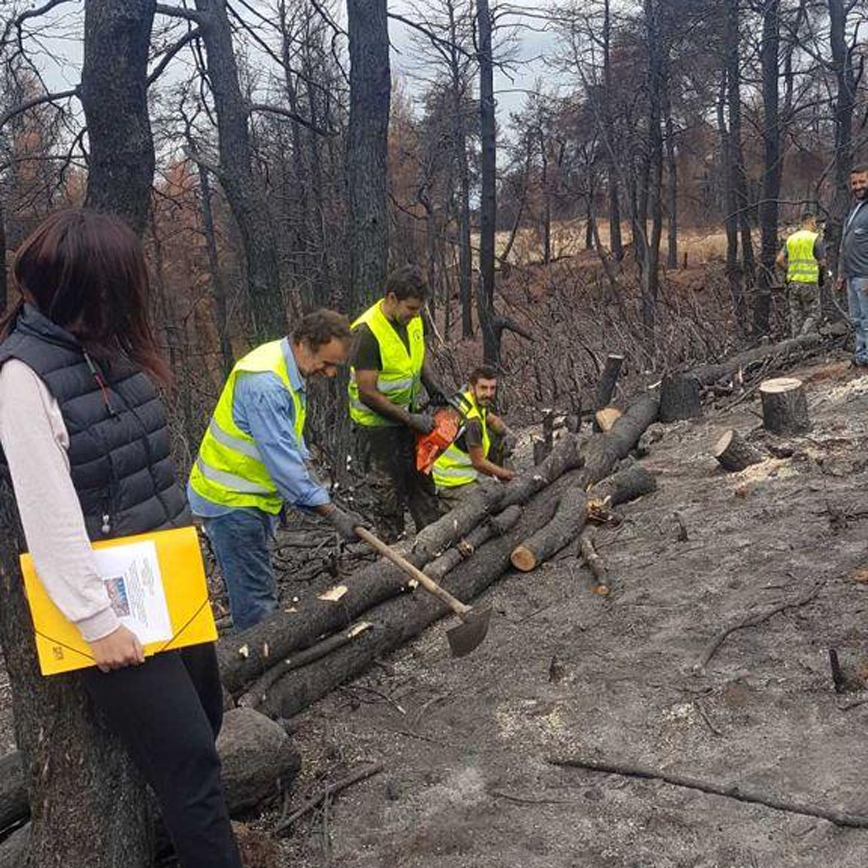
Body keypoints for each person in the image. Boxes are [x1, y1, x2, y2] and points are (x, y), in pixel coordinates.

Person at [0, 209, 242, 868]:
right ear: (82, 288)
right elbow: (48, 514)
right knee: (191, 760)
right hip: (108, 605)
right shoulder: (23, 378)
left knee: (207, 722)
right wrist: (95, 618)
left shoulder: (105, 341)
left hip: (167, 575)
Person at [188, 309, 367, 631]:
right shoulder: (266, 383)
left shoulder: (287, 371)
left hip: (247, 497)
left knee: (250, 587)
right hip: (231, 500)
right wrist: (332, 513)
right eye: (326, 364)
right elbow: (282, 464)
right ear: (303, 343)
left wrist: (313, 476)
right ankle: (260, 668)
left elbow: (291, 442)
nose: (328, 374)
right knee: (256, 599)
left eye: (334, 367)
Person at [348, 265, 445, 542]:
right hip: (376, 430)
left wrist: (431, 385)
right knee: (387, 497)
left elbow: (418, 357)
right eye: (411, 308)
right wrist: (411, 419)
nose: (415, 314)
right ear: (392, 298)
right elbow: (368, 392)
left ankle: (435, 544)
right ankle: (394, 564)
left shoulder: (414, 320)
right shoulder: (366, 333)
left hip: (408, 417)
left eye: (418, 309)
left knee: (423, 483)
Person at [433, 365, 518, 509]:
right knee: (489, 505)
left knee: (496, 435)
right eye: (483, 388)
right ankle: (442, 504)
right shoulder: (473, 422)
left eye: (492, 388)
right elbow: (478, 463)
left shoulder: (466, 399)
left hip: (441, 469)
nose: (488, 393)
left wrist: (506, 433)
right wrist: (508, 475)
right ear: (472, 388)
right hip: (449, 480)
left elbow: (491, 419)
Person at [775, 212, 826, 337]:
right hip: (809, 283)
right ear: (812, 222)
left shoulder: (791, 239)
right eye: (815, 223)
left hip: (793, 284)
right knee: (814, 315)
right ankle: (803, 338)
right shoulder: (815, 238)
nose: (815, 226)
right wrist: (821, 277)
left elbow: (779, 260)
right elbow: (822, 263)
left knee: (796, 317)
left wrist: (789, 270)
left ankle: (795, 348)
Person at [839, 166, 868, 366]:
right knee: (856, 320)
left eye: (862, 182)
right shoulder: (855, 209)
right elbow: (845, 243)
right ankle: (861, 356)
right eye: (854, 183)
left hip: (865, 276)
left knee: (867, 321)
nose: (858, 186)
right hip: (851, 276)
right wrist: (841, 274)